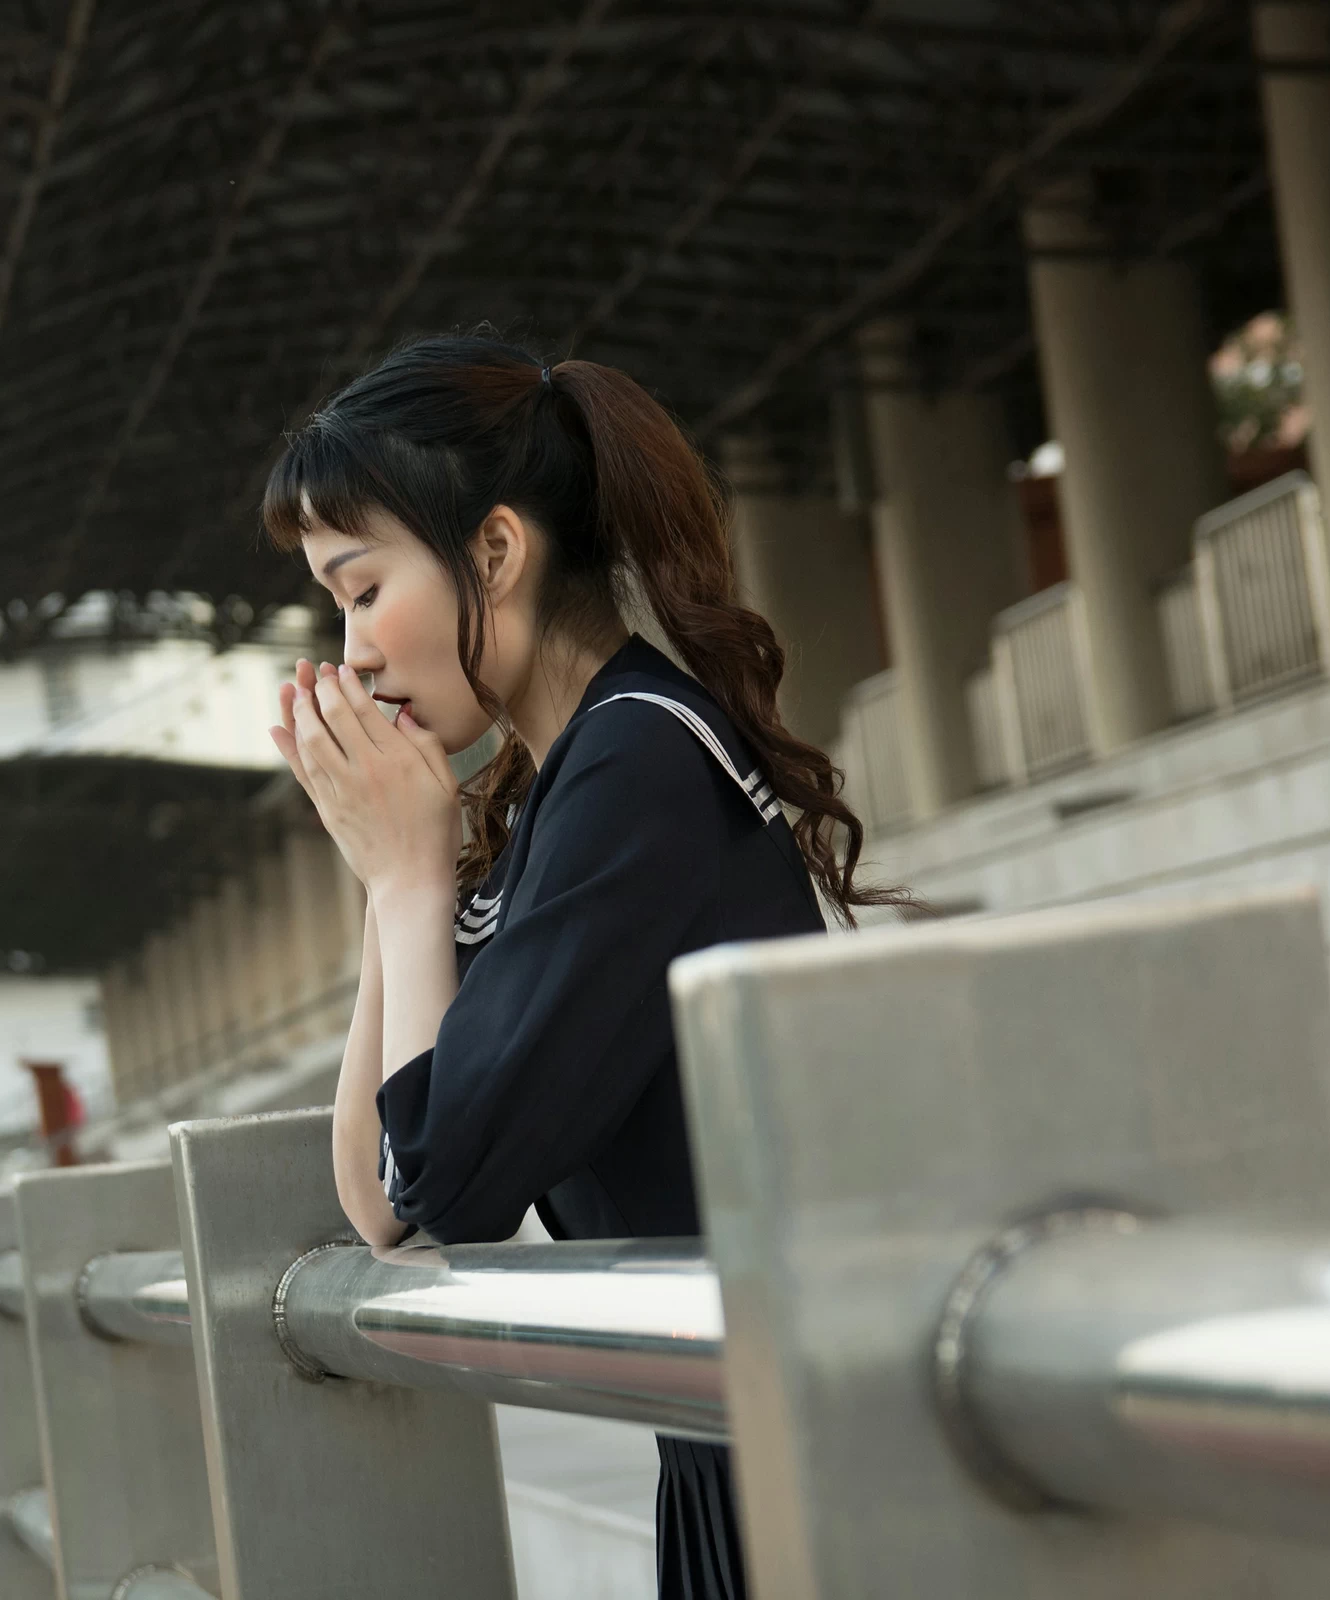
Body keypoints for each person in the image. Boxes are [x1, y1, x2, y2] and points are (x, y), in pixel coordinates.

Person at [262, 335, 904, 1600]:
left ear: (495, 551)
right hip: (738, 1444)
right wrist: (400, 874)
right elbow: (386, 1199)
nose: (355, 653)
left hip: (815, 1474)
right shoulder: (565, 784)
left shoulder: (636, 770)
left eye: (361, 586)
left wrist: (406, 880)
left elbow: (451, 1186)